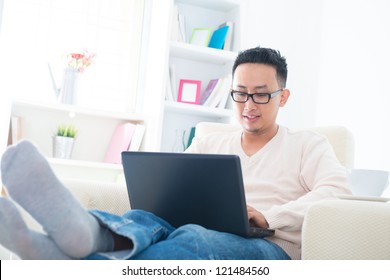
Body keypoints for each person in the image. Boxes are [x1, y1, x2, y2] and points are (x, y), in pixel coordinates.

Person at [0, 47, 351, 260]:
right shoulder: (210, 140)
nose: (248, 105)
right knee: (143, 219)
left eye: (261, 94)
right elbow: (176, 186)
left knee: (193, 239)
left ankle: (72, 256)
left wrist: (269, 217)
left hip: (270, 248)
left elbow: (337, 195)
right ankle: (87, 234)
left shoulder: (308, 144)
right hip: (194, 226)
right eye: (240, 93)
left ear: (283, 97)